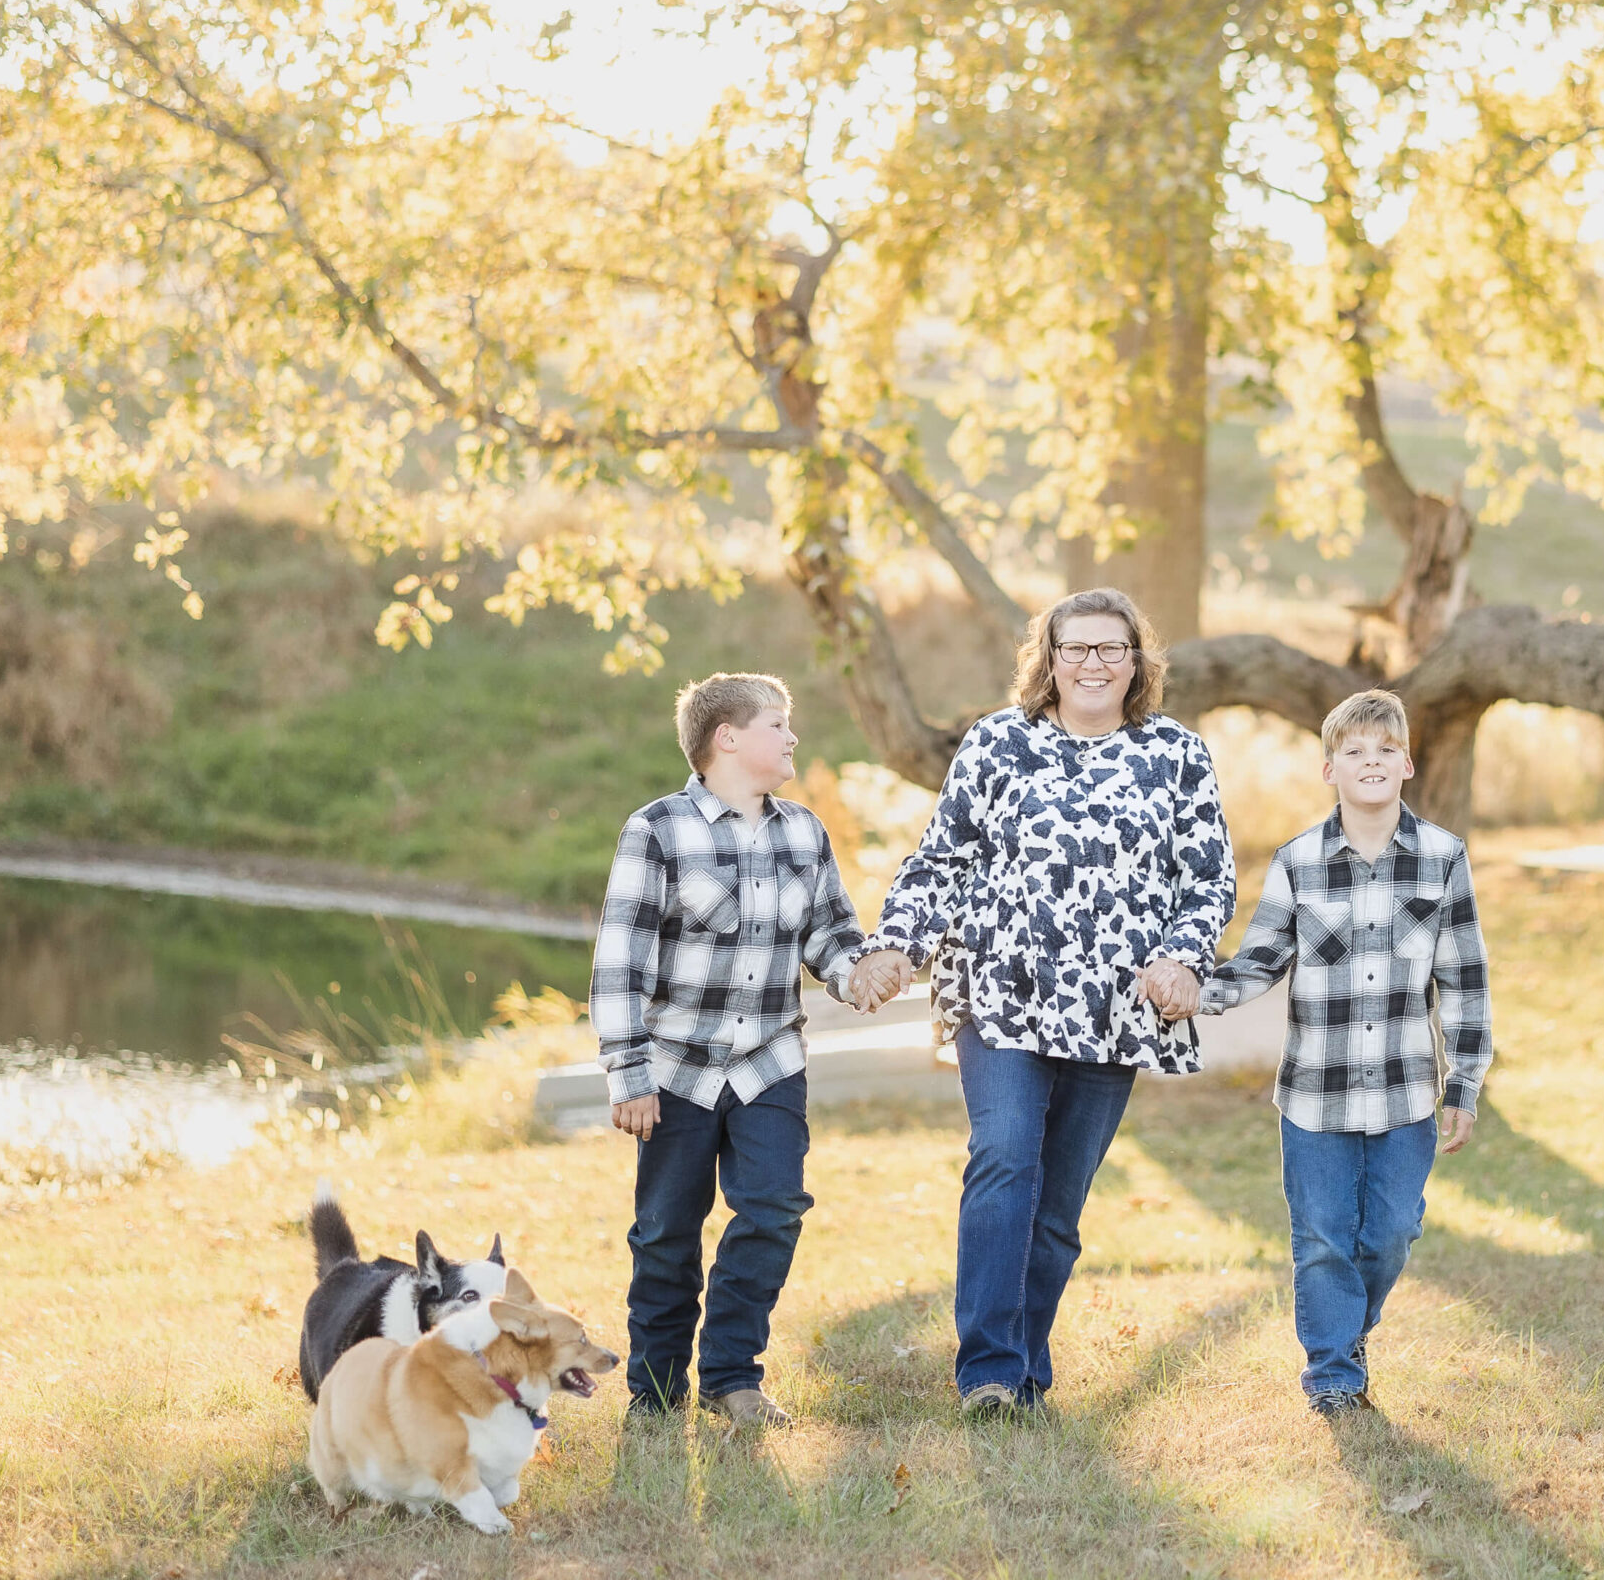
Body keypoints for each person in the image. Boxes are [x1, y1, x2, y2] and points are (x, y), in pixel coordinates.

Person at [850, 588, 1235, 1418]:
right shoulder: (996, 743)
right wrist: (897, 944)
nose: (1093, 663)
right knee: (1006, 1155)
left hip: (1115, 1007)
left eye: (1111, 649)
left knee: (1057, 1209)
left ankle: (1022, 1363)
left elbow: (1206, 881)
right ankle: (987, 1370)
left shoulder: (1176, 754)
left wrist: (1180, 957)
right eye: (1076, 648)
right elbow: (941, 862)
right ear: (1049, 660)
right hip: (1002, 991)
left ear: (1137, 662)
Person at [1199, 687, 1493, 1419]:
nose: (1370, 761)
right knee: (1324, 1237)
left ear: (1408, 765)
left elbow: (1463, 976)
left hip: (1405, 1094)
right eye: (1353, 751)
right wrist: (1193, 990)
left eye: (1384, 750)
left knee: (1391, 1233)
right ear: (1329, 770)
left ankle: (1351, 1329)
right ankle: (1332, 1374)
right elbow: (1259, 961)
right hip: (1315, 1095)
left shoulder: (1442, 859)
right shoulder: (1298, 862)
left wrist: (1464, 1084)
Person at [590, 672, 868, 1429]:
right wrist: (629, 1074)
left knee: (774, 1209)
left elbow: (830, 937)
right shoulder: (657, 831)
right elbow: (621, 963)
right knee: (665, 1233)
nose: (792, 738)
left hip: (769, 1062)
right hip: (675, 1070)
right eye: (779, 724)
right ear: (728, 738)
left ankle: (732, 1376)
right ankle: (654, 1390)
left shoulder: (804, 831)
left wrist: (862, 972)